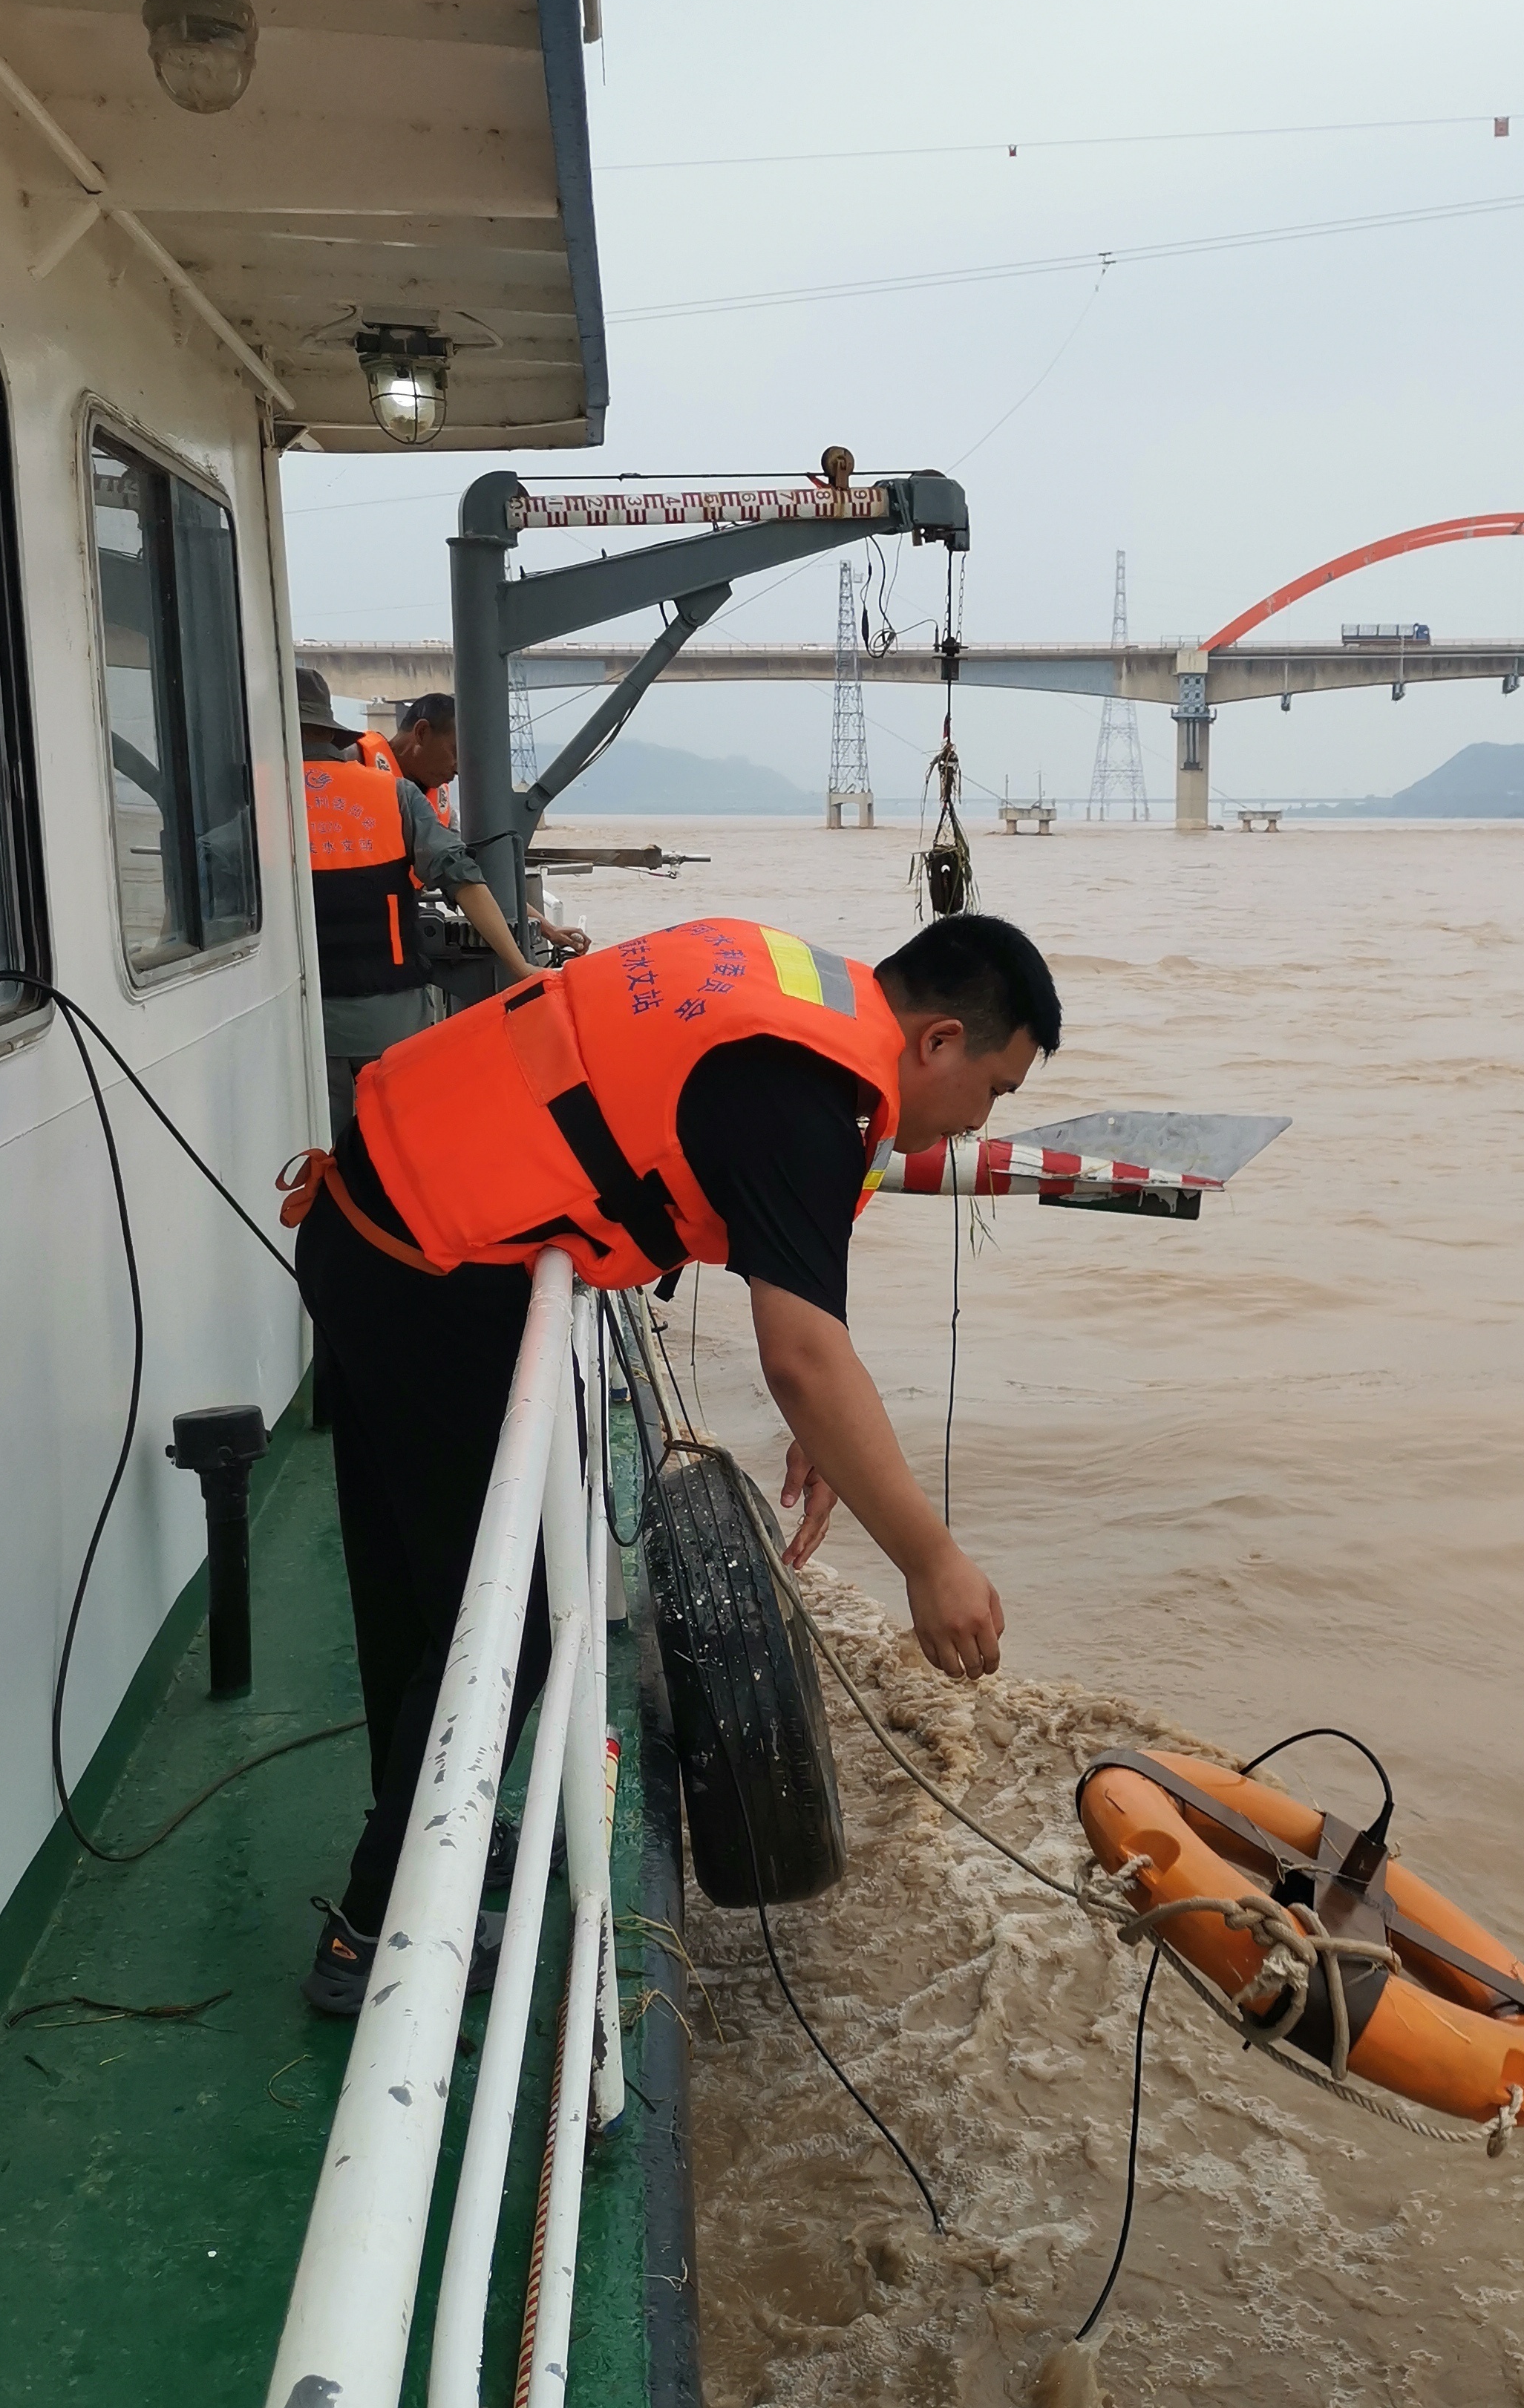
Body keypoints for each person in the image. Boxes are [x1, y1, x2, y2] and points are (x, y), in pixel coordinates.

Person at [281, 909, 1062, 2017]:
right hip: (424, 1273)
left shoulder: (797, 990)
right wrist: (931, 1562)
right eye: (994, 1089)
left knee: (419, 1595)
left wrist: (835, 1424)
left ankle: (414, 1859)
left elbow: (809, 1345)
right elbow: (800, 1358)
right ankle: (373, 1936)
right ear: (938, 1042)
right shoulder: (802, 1096)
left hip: (379, 1214)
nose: (976, 1119)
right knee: (508, 1626)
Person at [297, 667, 532, 1134]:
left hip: (300, 1024)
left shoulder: (257, 798)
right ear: (329, 729)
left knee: (315, 1149)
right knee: (394, 1145)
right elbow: (464, 879)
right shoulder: (396, 795)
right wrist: (520, 965)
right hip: (390, 1019)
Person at [384, 692, 592, 966]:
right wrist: (521, 967)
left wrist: (546, 928)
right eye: (455, 753)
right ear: (422, 732)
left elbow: (472, 879)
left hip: (398, 949)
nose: (458, 770)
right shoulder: (355, 775)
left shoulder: (435, 805)